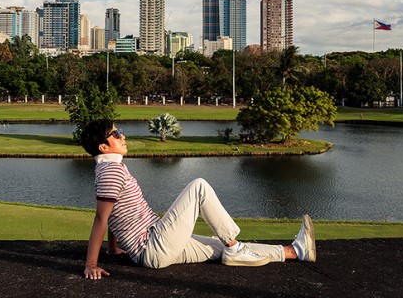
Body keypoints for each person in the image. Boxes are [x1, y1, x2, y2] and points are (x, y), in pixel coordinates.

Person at [81, 118, 316, 279]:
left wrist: (112, 249)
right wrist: (91, 264)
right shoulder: (111, 171)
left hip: (157, 244)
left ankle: (293, 252)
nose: (123, 136)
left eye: (119, 131)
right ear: (103, 146)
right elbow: (101, 218)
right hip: (152, 247)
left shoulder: (110, 168)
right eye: (116, 134)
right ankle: (234, 246)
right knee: (199, 187)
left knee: (218, 246)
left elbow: (112, 212)